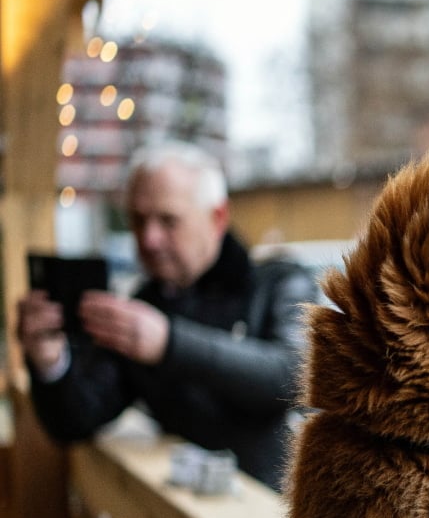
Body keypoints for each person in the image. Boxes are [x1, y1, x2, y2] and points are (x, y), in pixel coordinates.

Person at [14, 142, 316, 491]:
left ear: (217, 217)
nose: (150, 239)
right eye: (139, 220)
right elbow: (77, 417)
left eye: (168, 220)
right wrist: (50, 362)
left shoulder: (279, 281)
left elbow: (292, 377)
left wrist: (168, 343)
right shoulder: (145, 305)